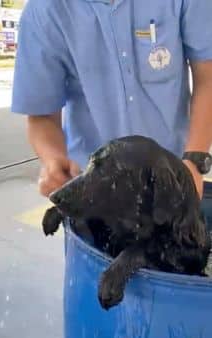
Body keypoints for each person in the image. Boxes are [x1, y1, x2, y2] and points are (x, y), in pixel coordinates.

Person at [11, 0, 212, 199]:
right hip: (93, 194)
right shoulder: (45, 10)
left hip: (171, 185)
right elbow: (42, 116)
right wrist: (53, 159)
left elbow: (207, 78)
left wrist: (194, 160)